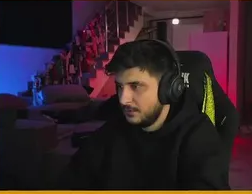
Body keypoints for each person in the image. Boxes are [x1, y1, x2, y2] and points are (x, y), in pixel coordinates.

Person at [60, 39, 230, 190]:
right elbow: (71, 180)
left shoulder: (197, 137)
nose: (123, 99)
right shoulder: (113, 129)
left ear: (168, 88)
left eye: (136, 86)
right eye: (119, 86)